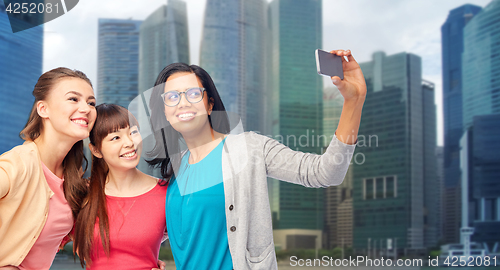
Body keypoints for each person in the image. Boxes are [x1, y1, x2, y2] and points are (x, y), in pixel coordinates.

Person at [146, 49, 366, 269]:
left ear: (210, 104)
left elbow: (325, 172)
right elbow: (158, 233)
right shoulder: (174, 171)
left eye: (193, 93)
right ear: (165, 111)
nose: (182, 102)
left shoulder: (249, 148)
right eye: (172, 97)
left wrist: (353, 101)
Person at [0, 68, 97, 269]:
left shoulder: (72, 178)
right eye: (73, 99)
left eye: (91, 102)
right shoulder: (19, 164)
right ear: (43, 109)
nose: (86, 108)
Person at [73, 104, 168, 270]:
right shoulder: (83, 193)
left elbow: (192, 245)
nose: (130, 142)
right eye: (115, 138)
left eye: (133, 132)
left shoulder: (166, 193)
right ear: (95, 150)